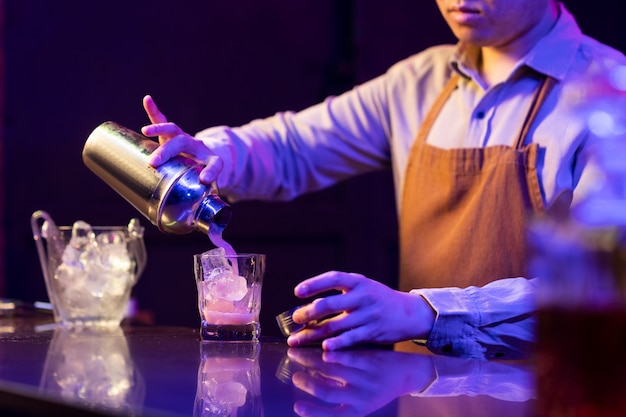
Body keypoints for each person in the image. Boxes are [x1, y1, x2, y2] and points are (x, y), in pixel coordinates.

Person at [140, 1, 626, 359]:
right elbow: (291, 146)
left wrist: (425, 313)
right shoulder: (417, 81)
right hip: (423, 398)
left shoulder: (611, 94)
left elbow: (596, 292)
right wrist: (210, 155)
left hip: (554, 395)